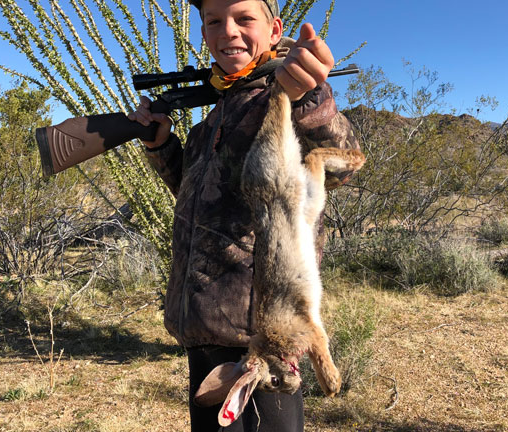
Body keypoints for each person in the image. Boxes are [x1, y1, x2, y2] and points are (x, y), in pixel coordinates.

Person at [128, 0, 359, 430]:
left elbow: (343, 159)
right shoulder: (211, 119)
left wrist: (311, 96)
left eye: (244, 19)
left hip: (262, 336)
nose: (228, 31)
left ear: (274, 31)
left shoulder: (284, 98)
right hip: (201, 325)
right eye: (214, 21)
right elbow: (195, 198)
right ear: (203, 33)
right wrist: (161, 146)